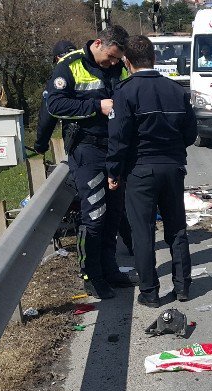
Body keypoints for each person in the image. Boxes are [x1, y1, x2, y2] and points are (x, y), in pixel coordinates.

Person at [107, 35, 197, 307]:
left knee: (143, 232)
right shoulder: (176, 90)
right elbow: (190, 133)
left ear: (127, 61)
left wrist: (114, 171)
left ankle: (150, 292)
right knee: (177, 228)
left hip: (140, 170)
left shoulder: (125, 92)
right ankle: (182, 287)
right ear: (154, 58)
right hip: (172, 168)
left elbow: (119, 138)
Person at [47, 25, 133, 299]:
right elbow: (55, 106)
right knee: (94, 216)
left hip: (115, 150)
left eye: (117, 59)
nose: (112, 63)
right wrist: (96, 106)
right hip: (87, 150)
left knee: (114, 214)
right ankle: (90, 274)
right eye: (109, 56)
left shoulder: (118, 68)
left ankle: (109, 268)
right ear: (98, 43)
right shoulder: (69, 66)